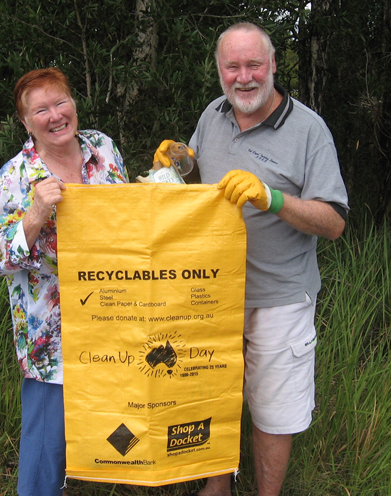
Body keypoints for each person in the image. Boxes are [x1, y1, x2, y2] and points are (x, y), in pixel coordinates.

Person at [154, 22, 349, 496]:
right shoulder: (213, 114)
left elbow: (334, 222)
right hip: (214, 289)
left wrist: (272, 199)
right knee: (213, 392)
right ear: (219, 71)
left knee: (272, 410)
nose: (244, 77)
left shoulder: (308, 129)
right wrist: (178, 162)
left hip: (279, 295)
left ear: (274, 65)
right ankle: (216, 487)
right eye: (233, 66)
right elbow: (199, 178)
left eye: (254, 64)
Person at [0, 67, 128, 496]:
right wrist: (34, 216)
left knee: (120, 423)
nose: (55, 115)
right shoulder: (16, 176)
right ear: (26, 123)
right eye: (40, 110)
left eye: (60, 102)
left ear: (74, 104)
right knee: (48, 440)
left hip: (113, 313)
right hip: (52, 332)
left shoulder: (103, 149)